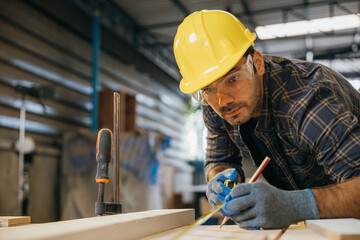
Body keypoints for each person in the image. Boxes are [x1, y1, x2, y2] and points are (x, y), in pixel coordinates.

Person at [173, 9, 360, 229]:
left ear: (258, 63)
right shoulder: (214, 103)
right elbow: (219, 159)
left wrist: (299, 205)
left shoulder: (309, 103)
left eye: (232, 78)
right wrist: (219, 179)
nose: (222, 101)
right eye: (207, 88)